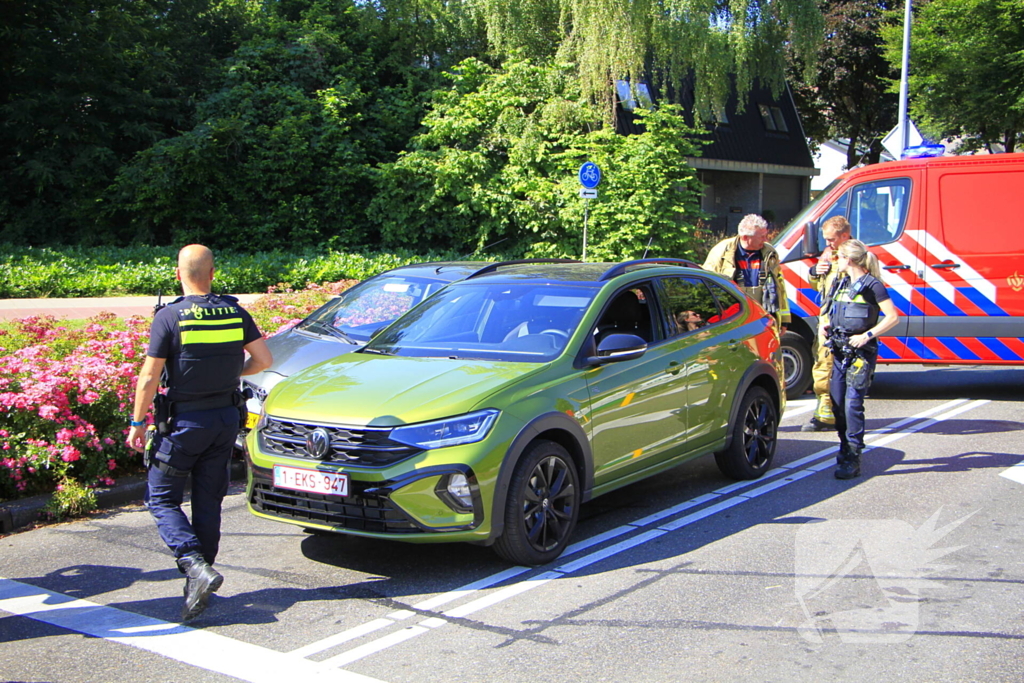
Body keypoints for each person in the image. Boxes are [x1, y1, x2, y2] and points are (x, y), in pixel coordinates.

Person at [126, 245, 272, 621]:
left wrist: (137, 423)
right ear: (212, 273)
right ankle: (199, 584)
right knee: (209, 502)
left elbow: (149, 376)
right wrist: (231, 373)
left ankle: (193, 564)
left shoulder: (170, 316)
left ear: (178, 275)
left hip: (183, 425)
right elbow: (263, 360)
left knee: (161, 498)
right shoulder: (236, 312)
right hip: (224, 422)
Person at [823, 239, 899, 479]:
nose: (836, 261)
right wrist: (829, 327)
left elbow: (893, 317)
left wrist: (866, 335)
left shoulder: (872, 285)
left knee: (852, 404)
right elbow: (837, 312)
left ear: (848, 259)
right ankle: (844, 446)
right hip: (839, 351)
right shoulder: (841, 282)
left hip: (860, 354)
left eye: (839, 256)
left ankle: (853, 456)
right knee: (837, 403)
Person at [802, 216, 852, 432]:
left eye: (831, 239)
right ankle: (824, 414)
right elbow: (819, 286)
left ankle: (845, 416)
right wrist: (814, 273)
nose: (828, 243)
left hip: (848, 321)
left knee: (846, 370)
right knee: (823, 364)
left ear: (845, 236)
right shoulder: (828, 254)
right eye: (826, 239)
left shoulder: (857, 256)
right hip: (827, 320)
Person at [702, 214, 791, 330]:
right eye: (762, 237)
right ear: (745, 237)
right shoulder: (721, 251)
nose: (766, 240)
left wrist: (784, 321)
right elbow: (707, 286)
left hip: (763, 319)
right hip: (733, 319)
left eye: (765, 235)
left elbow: (780, 287)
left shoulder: (769, 252)